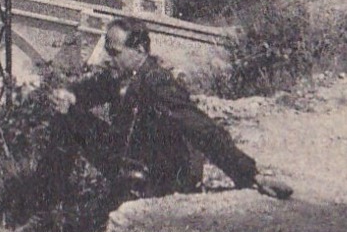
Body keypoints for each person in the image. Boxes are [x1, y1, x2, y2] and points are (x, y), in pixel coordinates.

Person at [52, 18, 293, 201]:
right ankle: (51, 199)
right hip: (132, 158)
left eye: (115, 52)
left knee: (70, 121)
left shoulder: (158, 83)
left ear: (140, 50)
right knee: (67, 116)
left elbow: (202, 129)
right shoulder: (123, 74)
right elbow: (93, 88)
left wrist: (249, 173)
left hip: (162, 176)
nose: (108, 58)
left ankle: (54, 200)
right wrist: (71, 94)